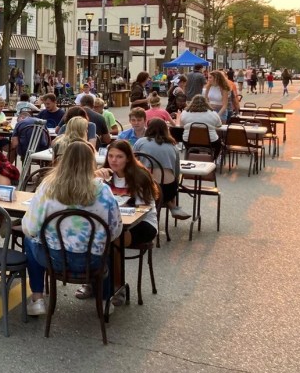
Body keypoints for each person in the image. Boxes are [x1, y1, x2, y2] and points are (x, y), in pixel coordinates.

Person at [21, 141, 122, 316]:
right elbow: (114, 230)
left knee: (29, 239)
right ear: (92, 163)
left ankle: (37, 298)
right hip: (91, 261)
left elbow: (31, 227)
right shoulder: (103, 191)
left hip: (53, 258)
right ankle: (105, 300)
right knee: (108, 248)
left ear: (64, 160)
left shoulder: (47, 187)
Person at [91, 139, 160, 301]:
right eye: (111, 156)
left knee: (114, 239)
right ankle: (93, 281)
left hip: (142, 223)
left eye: (119, 157)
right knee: (92, 234)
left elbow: (143, 208)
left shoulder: (140, 176)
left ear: (128, 158)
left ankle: (117, 286)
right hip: (114, 222)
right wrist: (93, 178)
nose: (114, 160)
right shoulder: (104, 175)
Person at [134, 119, 189, 220]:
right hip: (168, 190)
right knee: (169, 181)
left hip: (147, 189)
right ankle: (172, 205)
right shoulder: (173, 146)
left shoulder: (141, 142)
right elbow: (176, 172)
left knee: (143, 179)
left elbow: (133, 163)